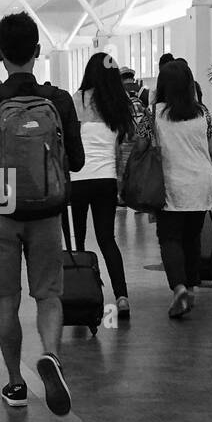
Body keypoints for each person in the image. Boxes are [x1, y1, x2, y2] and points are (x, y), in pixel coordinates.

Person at [0, 12, 84, 415]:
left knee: (7, 300)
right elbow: (76, 161)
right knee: (48, 295)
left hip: (0, 208)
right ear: (38, 51)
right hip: (47, 210)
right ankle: (50, 356)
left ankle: (15, 383)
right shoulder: (58, 100)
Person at [151, 59, 212, 318]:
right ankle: (192, 288)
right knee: (192, 238)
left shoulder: (155, 114)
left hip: (172, 185)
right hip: (202, 184)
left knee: (169, 238)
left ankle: (180, 287)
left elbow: (140, 146)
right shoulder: (203, 113)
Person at [71, 53, 134, 317]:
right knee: (107, 239)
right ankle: (121, 297)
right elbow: (127, 141)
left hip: (78, 180)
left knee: (80, 241)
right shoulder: (119, 104)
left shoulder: (77, 99)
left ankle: (81, 293)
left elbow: (70, 140)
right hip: (106, 181)